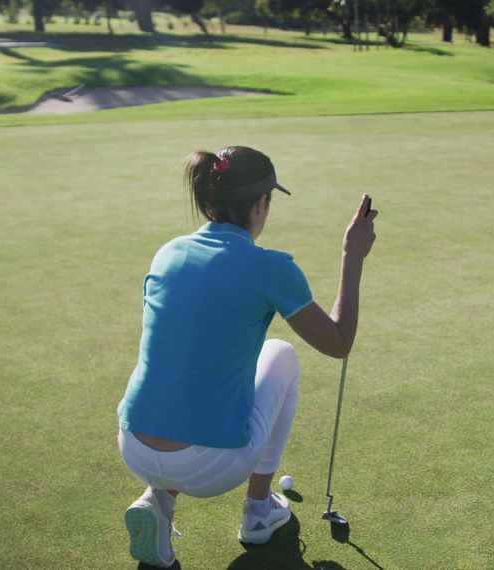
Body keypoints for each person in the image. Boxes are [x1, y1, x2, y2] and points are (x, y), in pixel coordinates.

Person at [116, 146, 378, 567]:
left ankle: (159, 502)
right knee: (282, 354)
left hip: (134, 445)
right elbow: (338, 342)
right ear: (261, 203)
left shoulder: (168, 252)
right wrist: (352, 256)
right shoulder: (272, 268)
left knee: (185, 371)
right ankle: (258, 511)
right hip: (209, 466)